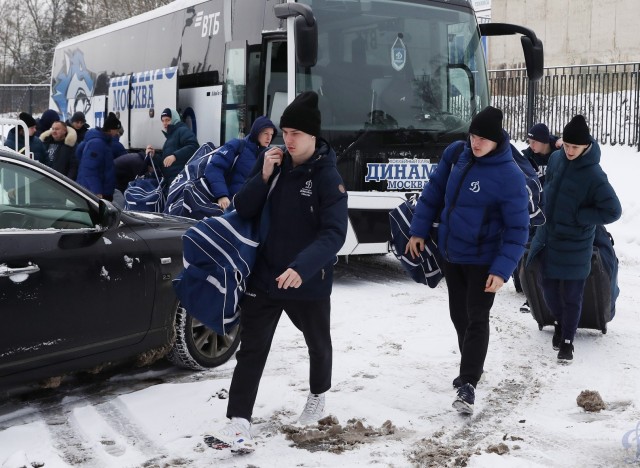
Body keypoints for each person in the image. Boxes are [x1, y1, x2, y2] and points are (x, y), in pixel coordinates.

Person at [209, 91, 348, 453]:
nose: (287, 139)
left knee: (318, 344)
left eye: (295, 133)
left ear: (313, 136)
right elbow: (242, 206)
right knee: (252, 349)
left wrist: (302, 268)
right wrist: (264, 174)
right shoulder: (270, 161)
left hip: (307, 280)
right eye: (284, 131)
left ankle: (318, 394)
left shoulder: (327, 176)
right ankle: (239, 419)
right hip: (266, 276)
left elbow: (334, 233)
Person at [406, 106, 530, 415]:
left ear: (497, 140)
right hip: (452, 254)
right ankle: (471, 365)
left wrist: (502, 270)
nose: (476, 143)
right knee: (458, 315)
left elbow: (518, 229)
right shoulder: (456, 154)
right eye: (473, 136)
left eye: (483, 139)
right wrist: (418, 230)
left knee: (476, 317)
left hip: (484, 261)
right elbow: (433, 192)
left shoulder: (509, 175)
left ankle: (469, 383)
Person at [526, 115, 621, 363]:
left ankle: (567, 341)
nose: (569, 151)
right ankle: (560, 322)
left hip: (577, 243)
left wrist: (581, 216)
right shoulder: (557, 159)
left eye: (574, 147)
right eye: (566, 145)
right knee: (547, 289)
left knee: (572, 295)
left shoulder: (594, 174)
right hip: (551, 236)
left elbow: (613, 210)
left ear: (586, 146)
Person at [204, 116, 277, 210]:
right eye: (265, 133)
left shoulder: (267, 155)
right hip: (230, 206)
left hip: (252, 209)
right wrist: (222, 195)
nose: (269, 137)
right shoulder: (237, 145)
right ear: (256, 132)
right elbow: (214, 168)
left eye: (271, 134)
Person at [145, 108, 199, 188]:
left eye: (167, 120)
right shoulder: (170, 137)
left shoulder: (182, 130)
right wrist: (154, 155)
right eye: (163, 121)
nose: (165, 123)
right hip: (172, 181)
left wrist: (175, 156)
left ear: (174, 119)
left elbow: (194, 146)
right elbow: (165, 163)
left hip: (181, 180)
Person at [76, 112, 122, 201]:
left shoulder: (100, 141)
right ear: (111, 130)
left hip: (96, 189)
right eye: (116, 130)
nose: (117, 133)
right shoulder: (97, 144)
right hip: (95, 192)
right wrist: (97, 192)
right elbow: (89, 169)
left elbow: (79, 154)